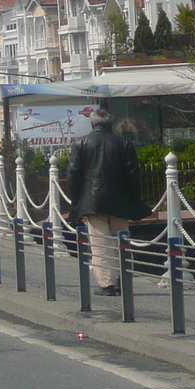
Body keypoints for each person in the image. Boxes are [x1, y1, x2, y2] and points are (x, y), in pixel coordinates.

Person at [64, 107, 149, 296]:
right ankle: (123, 279)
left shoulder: (81, 143)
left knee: (100, 243)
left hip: (93, 201)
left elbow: (73, 174)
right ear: (110, 124)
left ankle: (107, 284)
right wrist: (135, 199)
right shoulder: (124, 143)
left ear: (92, 123)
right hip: (121, 200)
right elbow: (133, 174)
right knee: (122, 240)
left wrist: (76, 199)